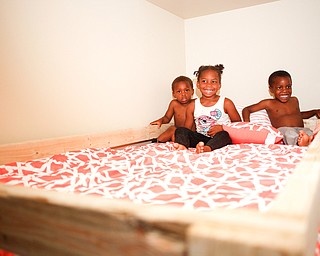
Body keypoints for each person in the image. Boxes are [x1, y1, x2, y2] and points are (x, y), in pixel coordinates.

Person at [173, 64, 241, 153]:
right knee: (180, 130)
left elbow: (239, 125)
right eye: (204, 81)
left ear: (219, 85)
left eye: (213, 81)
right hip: (201, 138)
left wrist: (223, 127)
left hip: (219, 139)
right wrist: (182, 137)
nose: (208, 85)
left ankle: (207, 149)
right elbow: (187, 129)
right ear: (198, 84)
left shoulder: (226, 103)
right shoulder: (192, 105)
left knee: (224, 135)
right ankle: (183, 147)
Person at [242, 70, 320, 145]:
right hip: (284, 130)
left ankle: (310, 142)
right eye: (279, 87)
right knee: (290, 135)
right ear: (271, 89)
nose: (285, 90)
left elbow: (299, 115)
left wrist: (314, 111)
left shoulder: (294, 100)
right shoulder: (268, 103)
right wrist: (248, 125)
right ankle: (300, 144)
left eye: (288, 86)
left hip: (301, 130)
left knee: (309, 132)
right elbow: (247, 109)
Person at [150, 75, 195, 142]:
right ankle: (157, 142)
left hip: (191, 134)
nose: (183, 94)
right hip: (177, 133)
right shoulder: (174, 104)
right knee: (172, 128)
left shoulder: (195, 103)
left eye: (186, 90)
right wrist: (161, 120)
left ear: (192, 91)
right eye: (179, 91)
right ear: (174, 94)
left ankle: (178, 142)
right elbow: (167, 118)